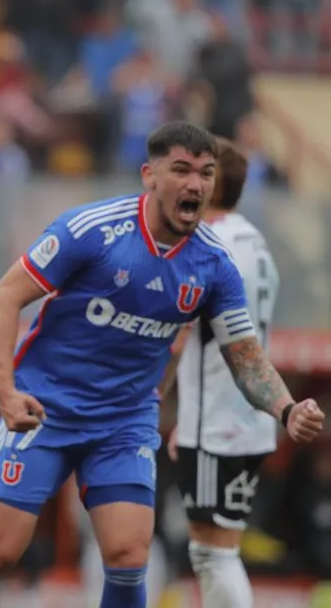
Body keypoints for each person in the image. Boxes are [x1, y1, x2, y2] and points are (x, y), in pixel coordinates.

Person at [0, 121, 325, 608]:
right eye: (182, 170)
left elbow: (246, 356)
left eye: (206, 174)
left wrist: (287, 410)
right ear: (150, 174)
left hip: (124, 423)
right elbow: (3, 299)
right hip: (45, 406)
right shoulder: (91, 231)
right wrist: (5, 391)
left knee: (128, 555)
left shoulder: (214, 265)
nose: (195, 184)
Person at [166, 137, 281, 607]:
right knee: (223, 548)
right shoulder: (256, 242)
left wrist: (157, 403)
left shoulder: (210, 247)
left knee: (212, 553)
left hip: (214, 419)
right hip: (250, 420)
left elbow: (180, 335)